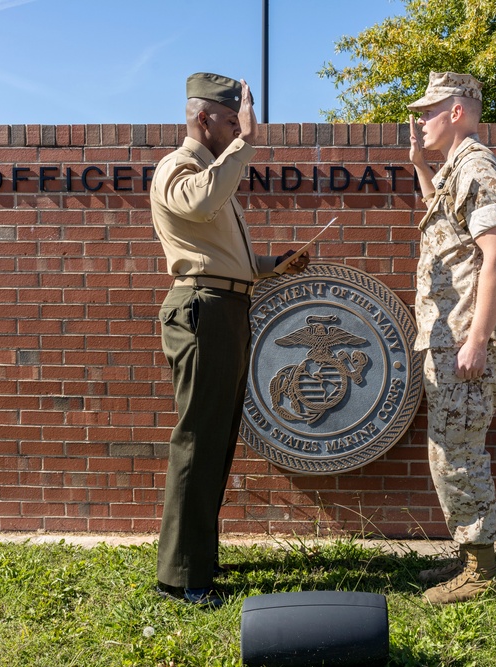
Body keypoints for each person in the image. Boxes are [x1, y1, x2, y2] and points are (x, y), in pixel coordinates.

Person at [149, 72, 309, 609]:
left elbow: (223, 256)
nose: (239, 126)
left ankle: (199, 561)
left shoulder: (213, 171)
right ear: (202, 118)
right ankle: (180, 577)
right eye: (230, 117)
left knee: (215, 441)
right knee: (198, 440)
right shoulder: (182, 167)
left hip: (227, 306)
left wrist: (272, 265)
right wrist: (243, 147)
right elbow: (197, 206)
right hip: (203, 311)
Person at [407, 72, 496, 604]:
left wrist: (476, 340)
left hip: (463, 340)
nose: (419, 120)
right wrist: (421, 168)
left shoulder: (478, 168)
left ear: (457, 111)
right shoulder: (456, 170)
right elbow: (449, 228)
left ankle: (481, 572)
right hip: (449, 338)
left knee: (459, 451)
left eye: (428, 111)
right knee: (450, 448)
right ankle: (469, 556)